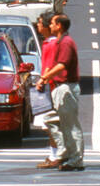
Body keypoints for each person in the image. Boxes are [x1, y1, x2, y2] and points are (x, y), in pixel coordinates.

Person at [37, 14, 83, 171]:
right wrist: (45, 79)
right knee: (52, 120)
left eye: (52, 24)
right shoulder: (59, 42)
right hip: (59, 88)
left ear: (59, 26)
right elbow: (53, 64)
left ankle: (76, 160)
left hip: (66, 88)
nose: (50, 26)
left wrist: (45, 77)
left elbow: (62, 65)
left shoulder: (65, 43)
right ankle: (64, 153)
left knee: (71, 126)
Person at [35, 13, 61, 168]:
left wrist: (42, 79)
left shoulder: (51, 44)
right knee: (50, 124)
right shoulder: (49, 42)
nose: (38, 25)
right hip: (50, 86)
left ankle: (55, 155)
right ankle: (54, 154)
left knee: (51, 124)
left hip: (52, 88)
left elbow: (49, 66)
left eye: (39, 23)